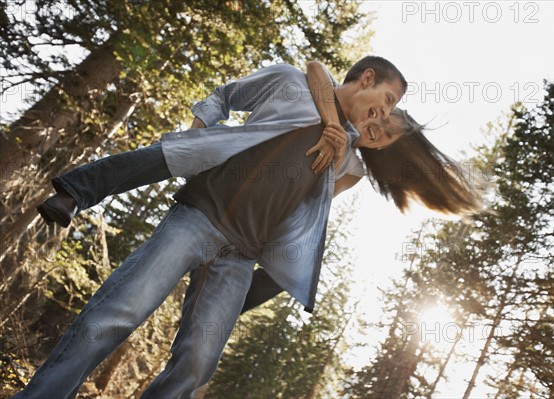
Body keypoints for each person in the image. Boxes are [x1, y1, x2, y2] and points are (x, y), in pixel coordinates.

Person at [15, 56, 408, 398]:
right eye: (387, 100)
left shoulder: (348, 162)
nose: (384, 114)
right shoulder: (291, 82)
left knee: (196, 367)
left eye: (391, 113)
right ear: (368, 78)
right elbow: (226, 95)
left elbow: (305, 213)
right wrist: (197, 131)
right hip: (199, 216)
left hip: (240, 257)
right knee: (117, 313)